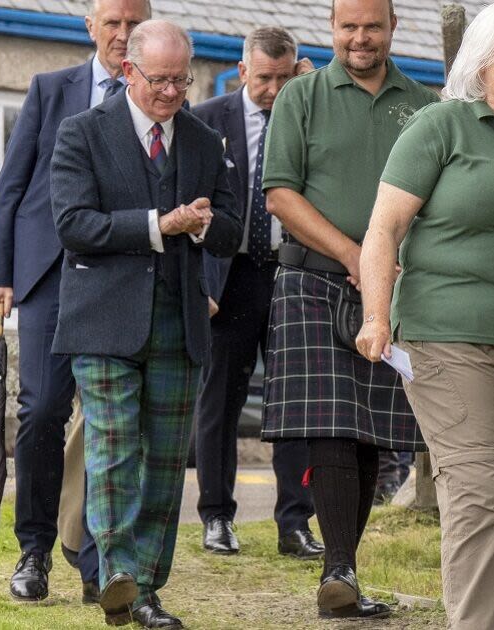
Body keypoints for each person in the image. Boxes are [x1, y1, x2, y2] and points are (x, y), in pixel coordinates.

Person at [356, 2, 494, 627]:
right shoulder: (440, 127)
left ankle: (483, 613)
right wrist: (377, 317)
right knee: (477, 490)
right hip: (444, 331)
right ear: (482, 60)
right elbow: (383, 231)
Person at [50, 20, 242, 628]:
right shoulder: (81, 133)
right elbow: (74, 224)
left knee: (163, 462)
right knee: (110, 451)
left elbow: (235, 233)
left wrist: (208, 222)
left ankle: (147, 590)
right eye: (157, 79)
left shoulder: (206, 142)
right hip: (102, 319)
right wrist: (161, 224)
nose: (169, 93)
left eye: (180, 81)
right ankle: (116, 574)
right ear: (128, 70)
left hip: (179, 323)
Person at [260, 0, 437, 619]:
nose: (359, 38)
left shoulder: (426, 107)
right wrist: (359, 255)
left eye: (372, 25)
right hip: (314, 281)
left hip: (395, 290)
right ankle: (338, 568)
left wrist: (390, 269)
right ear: (332, 29)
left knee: (373, 437)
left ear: (394, 28)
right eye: (347, 26)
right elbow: (280, 195)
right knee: (333, 426)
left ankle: (345, 572)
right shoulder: (300, 98)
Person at [0, 0, 151, 605]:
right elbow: (13, 184)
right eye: (114, 23)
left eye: (135, 24)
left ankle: (100, 562)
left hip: (122, 278)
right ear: (91, 26)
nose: (124, 36)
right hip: (50, 275)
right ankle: (34, 550)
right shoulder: (51, 90)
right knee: (44, 408)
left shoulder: (155, 98)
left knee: (114, 422)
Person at [189, 27, 323, 560]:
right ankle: (217, 517)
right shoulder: (205, 120)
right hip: (230, 278)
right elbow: (190, 206)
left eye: (283, 78)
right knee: (219, 400)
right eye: (263, 78)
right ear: (243, 72)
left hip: (292, 274)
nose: (272, 89)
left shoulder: (310, 116)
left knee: (294, 403)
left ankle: (295, 522)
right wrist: (200, 282)